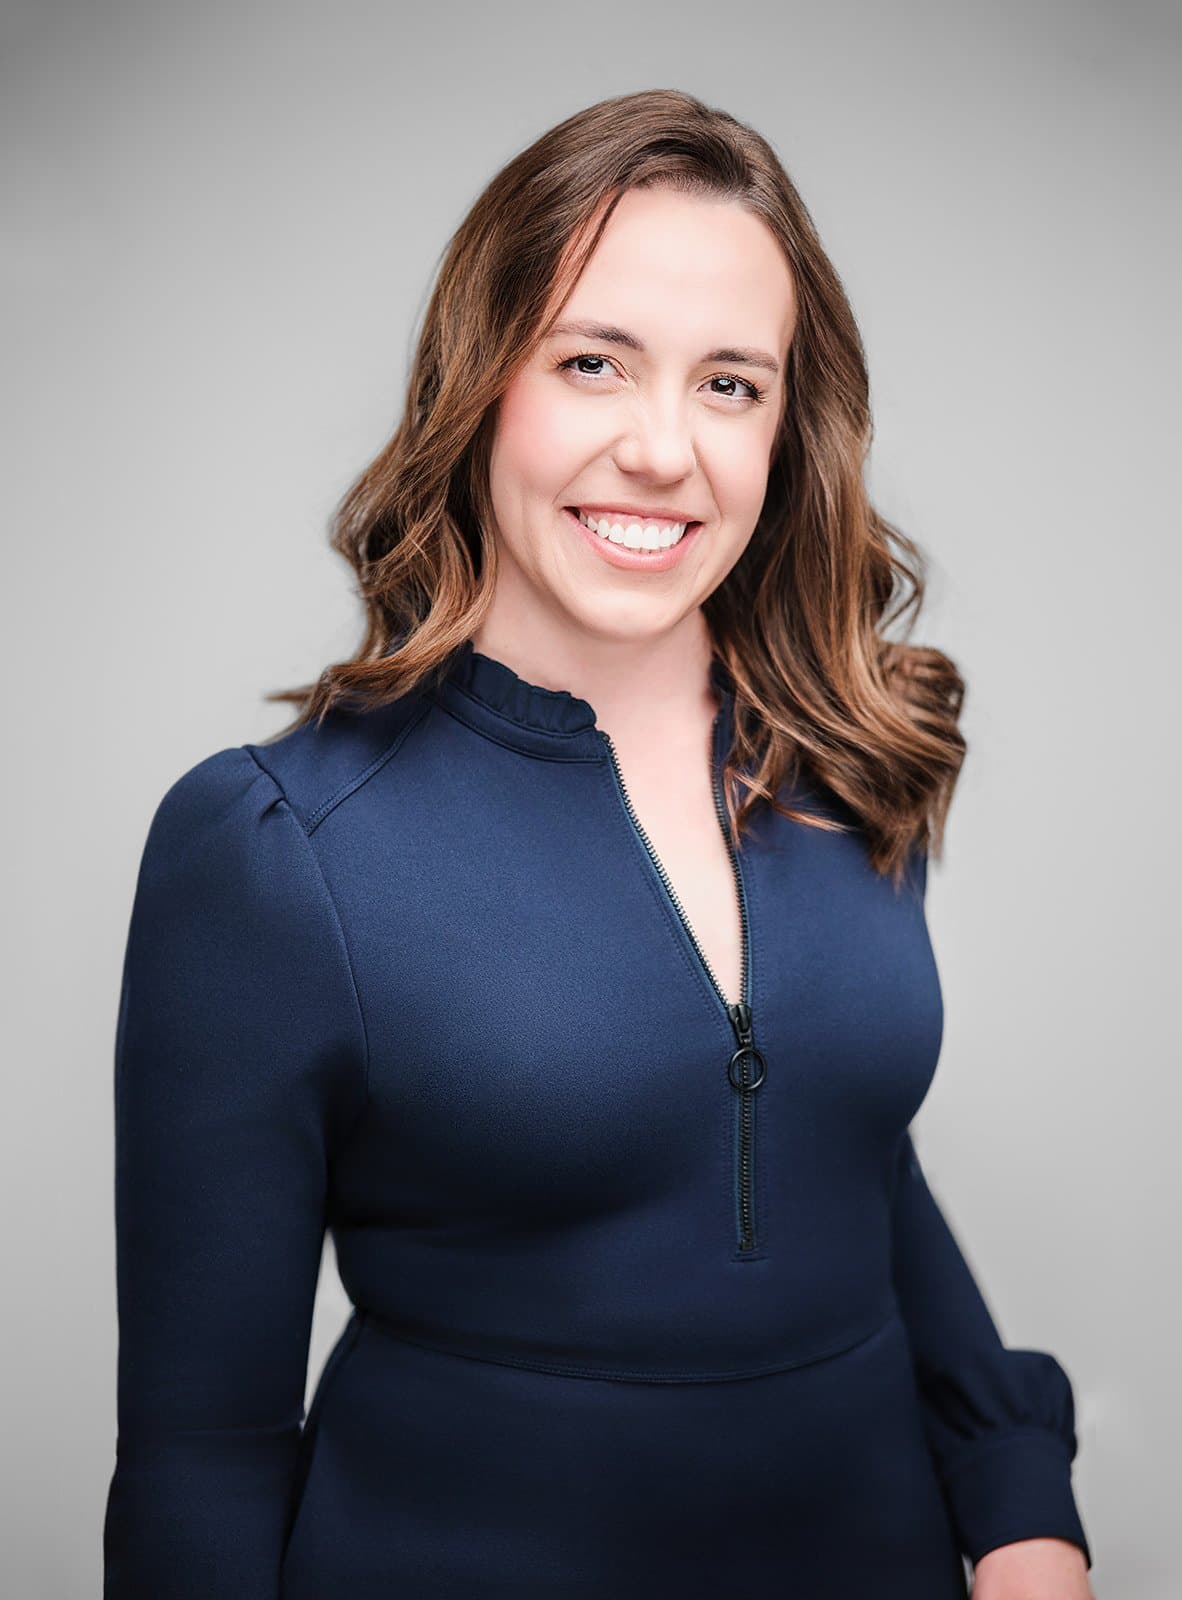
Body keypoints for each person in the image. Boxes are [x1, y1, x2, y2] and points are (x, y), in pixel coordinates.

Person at [101, 88, 1093, 1599]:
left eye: (729, 385)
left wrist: (1018, 1507)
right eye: (591, 363)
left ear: (786, 426)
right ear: (481, 382)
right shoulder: (275, 847)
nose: (661, 450)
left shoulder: (855, 753)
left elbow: (841, 1158)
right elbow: (202, 1453)